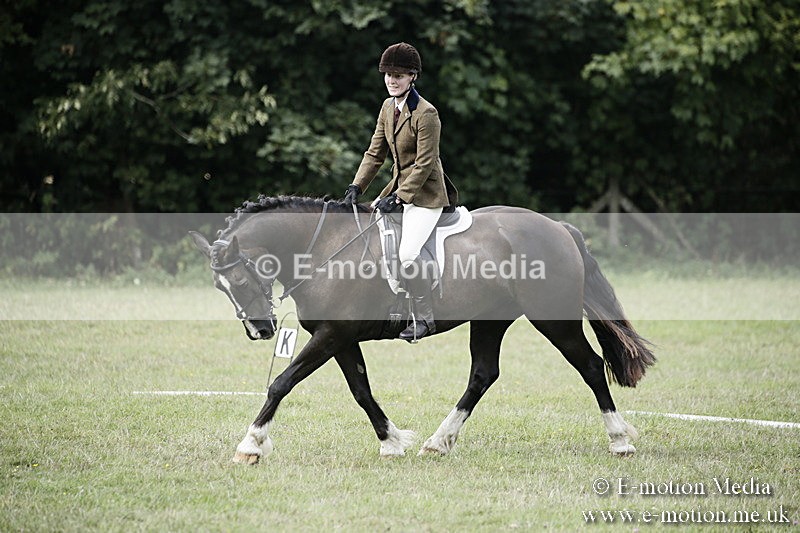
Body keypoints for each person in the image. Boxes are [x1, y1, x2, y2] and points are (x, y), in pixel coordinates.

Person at [343, 42, 457, 342]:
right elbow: (374, 153)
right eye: (388, 74)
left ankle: (424, 317)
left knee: (407, 254)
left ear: (413, 77)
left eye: (399, 75)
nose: (392, 80)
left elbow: (424, 163)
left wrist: (400, 197)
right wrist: (357, 186)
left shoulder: (426, 113)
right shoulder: (386, 107)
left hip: (426, 195)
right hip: (396, 189)